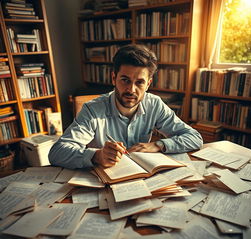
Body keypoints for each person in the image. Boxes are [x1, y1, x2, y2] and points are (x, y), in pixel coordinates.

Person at [48, 44, 203, 169]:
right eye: (125, 80)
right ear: (114, 78)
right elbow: (57, 153)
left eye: (139, 82)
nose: (131, 90)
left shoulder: (154, 104)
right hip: (104, 183)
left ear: (148, 84)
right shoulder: (92, 110)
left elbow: (195, 138)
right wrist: (96, 156)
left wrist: (158, 144)